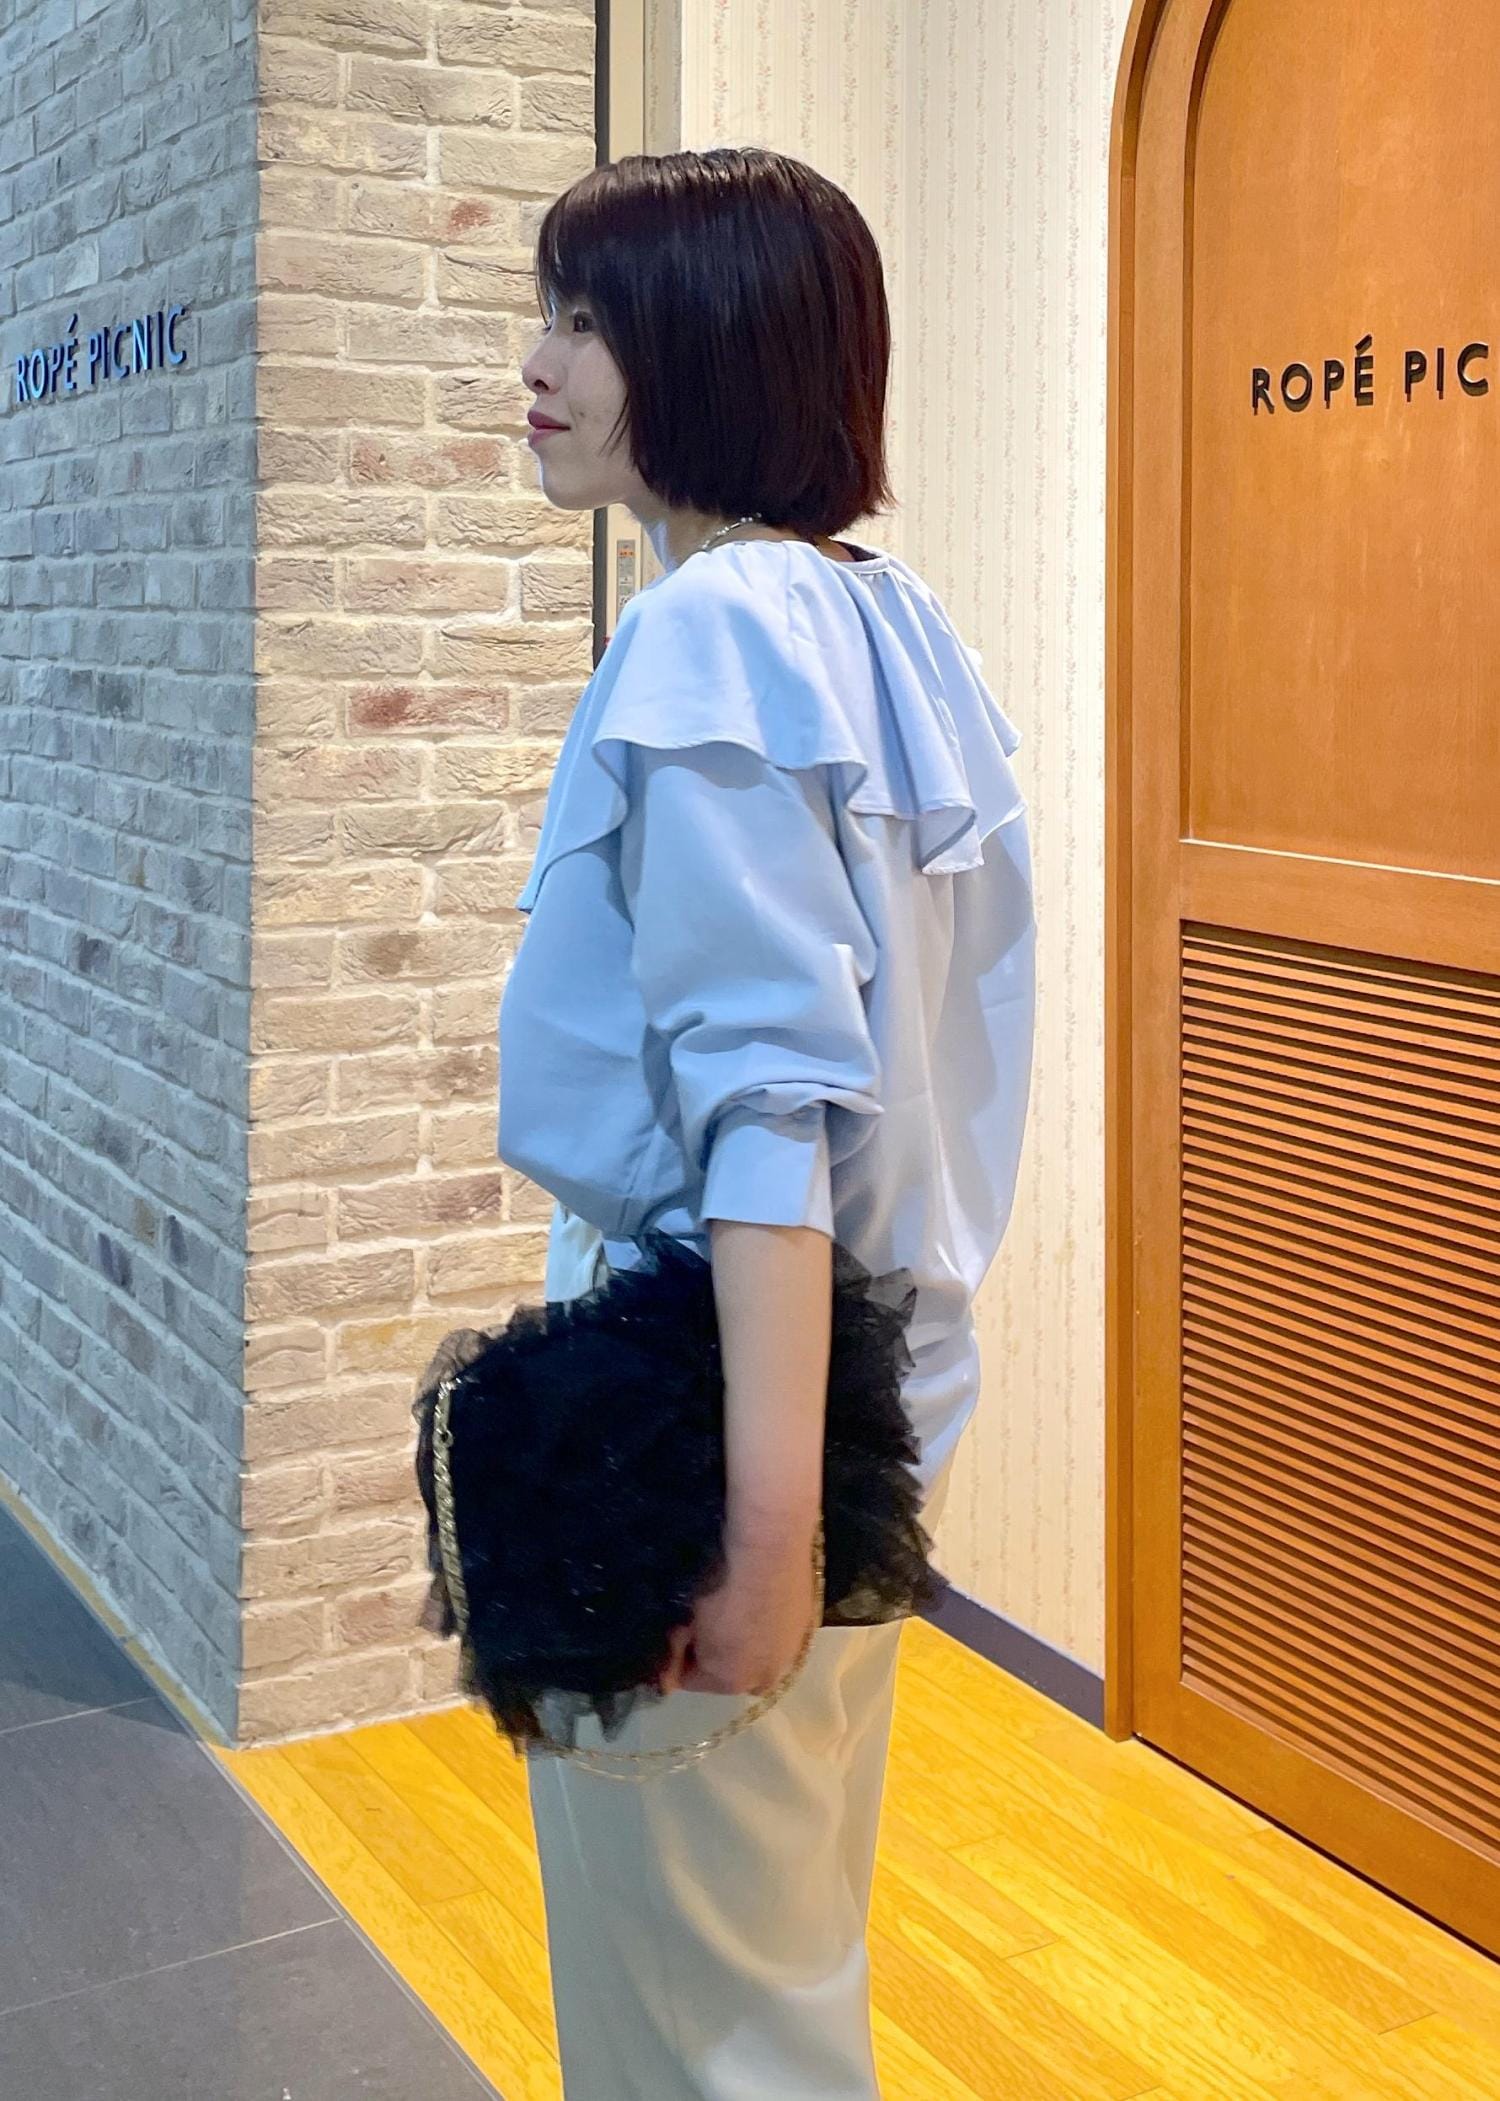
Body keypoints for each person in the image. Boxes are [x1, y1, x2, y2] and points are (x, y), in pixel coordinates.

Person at [497, 145, 1036, 2101]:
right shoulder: (892, 622)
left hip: (710, 1405)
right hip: (854, 1390)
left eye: (588, 318)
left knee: (698, 2030)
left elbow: (764, 1113)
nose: (537, 363)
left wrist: (757, 1536)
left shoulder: (714, 631)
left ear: (715, 342)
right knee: (772, 1961)